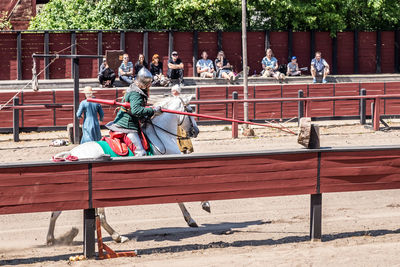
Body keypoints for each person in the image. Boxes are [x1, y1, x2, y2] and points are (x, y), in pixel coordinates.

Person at [105, 68, 162, 156]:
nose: (150, 85)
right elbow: (136, 110)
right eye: (149, 84)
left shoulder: (135, 88)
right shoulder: (136, 93)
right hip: (127, 126)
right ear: (145, 84)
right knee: (141, 153)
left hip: (132, 123)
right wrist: (152, 110)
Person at [170, 84, 194, 154]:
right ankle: (181, 148)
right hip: (175, 120)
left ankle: (187, 147)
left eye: (173, 91)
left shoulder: (180, 100)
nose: (172, 92)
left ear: (177, 91)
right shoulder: (173, 99)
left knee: (183, 134)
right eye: (172, 90)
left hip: (180, 119)